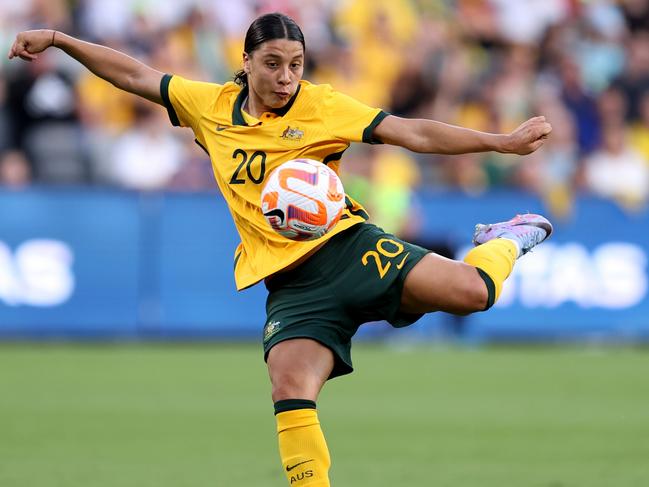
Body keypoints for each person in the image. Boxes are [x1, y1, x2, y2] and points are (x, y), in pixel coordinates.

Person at [8, 13, 553, 487]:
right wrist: (59, 38)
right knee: (290, 387)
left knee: (474, 292)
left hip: (347, 247)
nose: (286, 77)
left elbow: (413, 133)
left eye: (296, 63)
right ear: (245, 62)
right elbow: (134, 75)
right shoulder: (210, 106)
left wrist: (499, 143)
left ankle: (504, 237)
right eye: (272, 63)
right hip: (290, 286)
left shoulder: (322, 107)